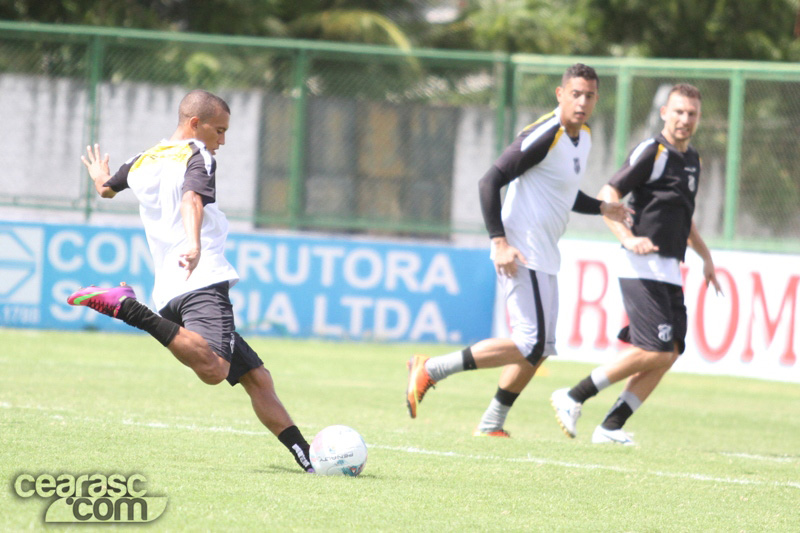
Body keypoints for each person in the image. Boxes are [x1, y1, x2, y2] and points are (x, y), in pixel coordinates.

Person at [69, 89, 314, 472]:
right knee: (215, 369)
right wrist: (195, 243)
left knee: (257, 377)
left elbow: (105, 190)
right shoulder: (197, 154)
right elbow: (191, 200)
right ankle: (128, 308)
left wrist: (99, 175)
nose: (223, 141)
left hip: (170, 288)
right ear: (195, 124)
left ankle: (308, 458)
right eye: (220, 130)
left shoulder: (143, 159)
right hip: (200, 275)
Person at [405, 64, 632, 437]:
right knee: (532, 342)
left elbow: (564, 191)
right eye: (575, 94)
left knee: (540, 348)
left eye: (589, 96)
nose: (582, 102)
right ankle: (430, 370)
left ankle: (492, 423)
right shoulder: (546, 133)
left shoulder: (584, 137)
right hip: (520, 248)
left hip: (544, 252)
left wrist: (602, 207)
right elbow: (489, 180)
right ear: (560, 94)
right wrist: (499, 242)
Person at [550, 83, 722, 445]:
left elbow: (684, 217)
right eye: (678, 111)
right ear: (664, 113)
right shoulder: (652, 152)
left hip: (670, 268)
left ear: (699, 118)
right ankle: (574, 395)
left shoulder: (693, 159)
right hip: (641, 265)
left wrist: (706, 257)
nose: (684, 119)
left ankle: (611, 426)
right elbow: (608, 195)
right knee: (653, 350)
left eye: (691, 113)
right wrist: (627, 238)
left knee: (669, 353)